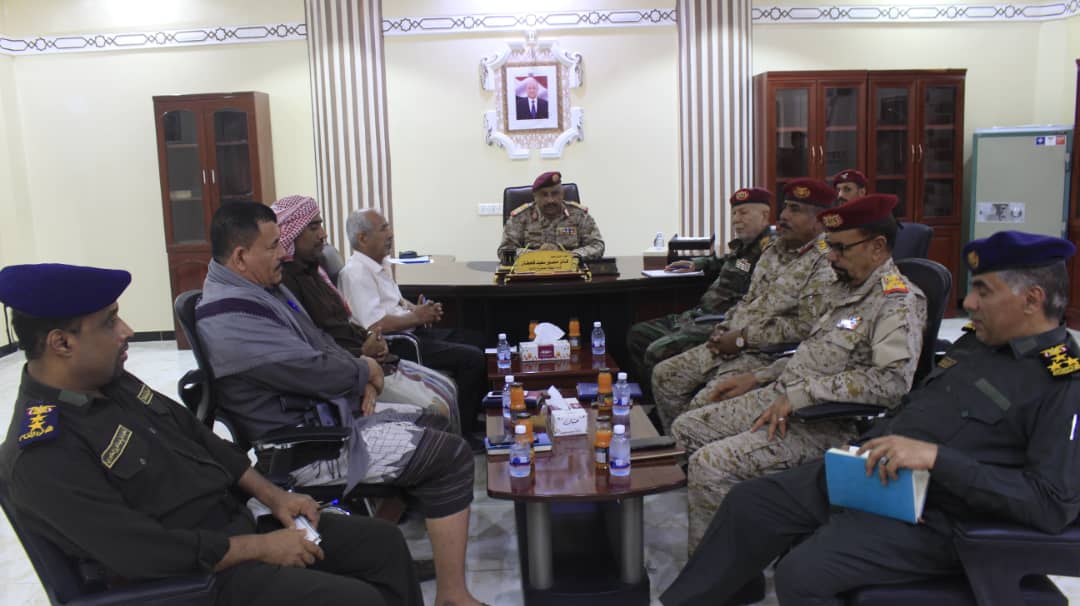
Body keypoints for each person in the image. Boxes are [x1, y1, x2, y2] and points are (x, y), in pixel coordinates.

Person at [661, 230, 1080, 606]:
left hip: (939, 516)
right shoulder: (976, 345)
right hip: (880, 474)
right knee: (751, 503)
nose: (968, 303)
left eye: (984, 291)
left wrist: (937, 459)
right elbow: (917, 408)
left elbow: (1050, 504)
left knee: (801, 575)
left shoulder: (1062, 382)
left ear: (1032, 300)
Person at [0, 263, 422, 606]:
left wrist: (276, 497)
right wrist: (263, 548)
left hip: (236, 528)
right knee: (356, 600)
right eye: (109, 323)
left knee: (381, 543)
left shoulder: (112, 383)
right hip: (194, 581)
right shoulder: (44, 454)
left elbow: (199, 437)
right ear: (61, 344)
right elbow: (143, 552)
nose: (127, 330)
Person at [196, 202, 486, 606]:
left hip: (329, 413)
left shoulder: (262, 289)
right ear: (241, 257)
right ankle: (452, 595)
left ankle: (387, 548)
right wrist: (364, 370)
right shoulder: (230, 315)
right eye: (274, 246)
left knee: (431, 423)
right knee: (451, 456)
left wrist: (362, 374)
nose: (283, 253)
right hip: (305, 444)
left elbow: (323, 344)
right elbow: (312, 369)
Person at [671, 194, 927, 552]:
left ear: (877, 247)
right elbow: (813, 354)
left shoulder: (896, 302)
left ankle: (723, 571)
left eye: (840, 248)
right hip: (784, 397)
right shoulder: (843, 289)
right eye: (830, 246)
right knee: (685, 429)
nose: (831, 256)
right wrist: (757, 378)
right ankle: (739, 533)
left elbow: (891, 383)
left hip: (828, 423)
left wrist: (801, 395)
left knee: (709, 464)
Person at [651, 179, 838, 432]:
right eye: (785, 207)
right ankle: (676, 445)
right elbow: (748, 300)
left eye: (795, 209)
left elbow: (806, 327)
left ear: (819, 220)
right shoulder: (773, 250)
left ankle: (688, 443)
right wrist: (723, 327)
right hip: (732, 341)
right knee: (664, 376)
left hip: (767, 355)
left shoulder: (825, 262)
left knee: (701, 405)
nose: (783, 215)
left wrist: (743, 338)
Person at [272, 195, 462, 433]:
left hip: (372, 357)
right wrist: (363, 361)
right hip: (355, 367)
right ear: (291, 233)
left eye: (320, 225)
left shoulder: (314, 272)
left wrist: (371, 341)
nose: (323, 234)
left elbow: (344, 324)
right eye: (313, 228)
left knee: (447, 389)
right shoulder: (288, 283)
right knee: (437, 408)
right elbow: (317, 343)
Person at [337, 207, 487, 438]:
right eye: (383, 229)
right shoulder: (356, 273)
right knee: (472, 358)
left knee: (479, 338)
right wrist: (417, 317)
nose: (390, 234)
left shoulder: (379, 264)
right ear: (363, 238)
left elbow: (395, 301)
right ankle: (464, 433)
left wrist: (417, 309)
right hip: (399, 344)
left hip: (413, 332)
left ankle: (476, 417)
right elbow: (375, 325)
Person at [625, 187, 775, 398]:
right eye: (734, 213)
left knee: (656, 350)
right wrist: (697, 263)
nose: (736, 220)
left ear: (764, 215)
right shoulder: (745, 247)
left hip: (722, 323)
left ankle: (664, 405)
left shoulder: (771, 249)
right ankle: (653, 401)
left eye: (743, 213)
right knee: (638, 334)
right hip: (699, 315)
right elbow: (726, 263)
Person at [497, 171, 606, 261]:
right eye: (544, 195)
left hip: (570, 272)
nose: (550, 200)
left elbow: (597, 245)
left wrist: (570, 256)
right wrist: (537, 255)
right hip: (530, 275)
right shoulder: (520, 217)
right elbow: (504, 251)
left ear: (562, 194)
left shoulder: (579, 215)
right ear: (535, 196)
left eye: (555, 193)